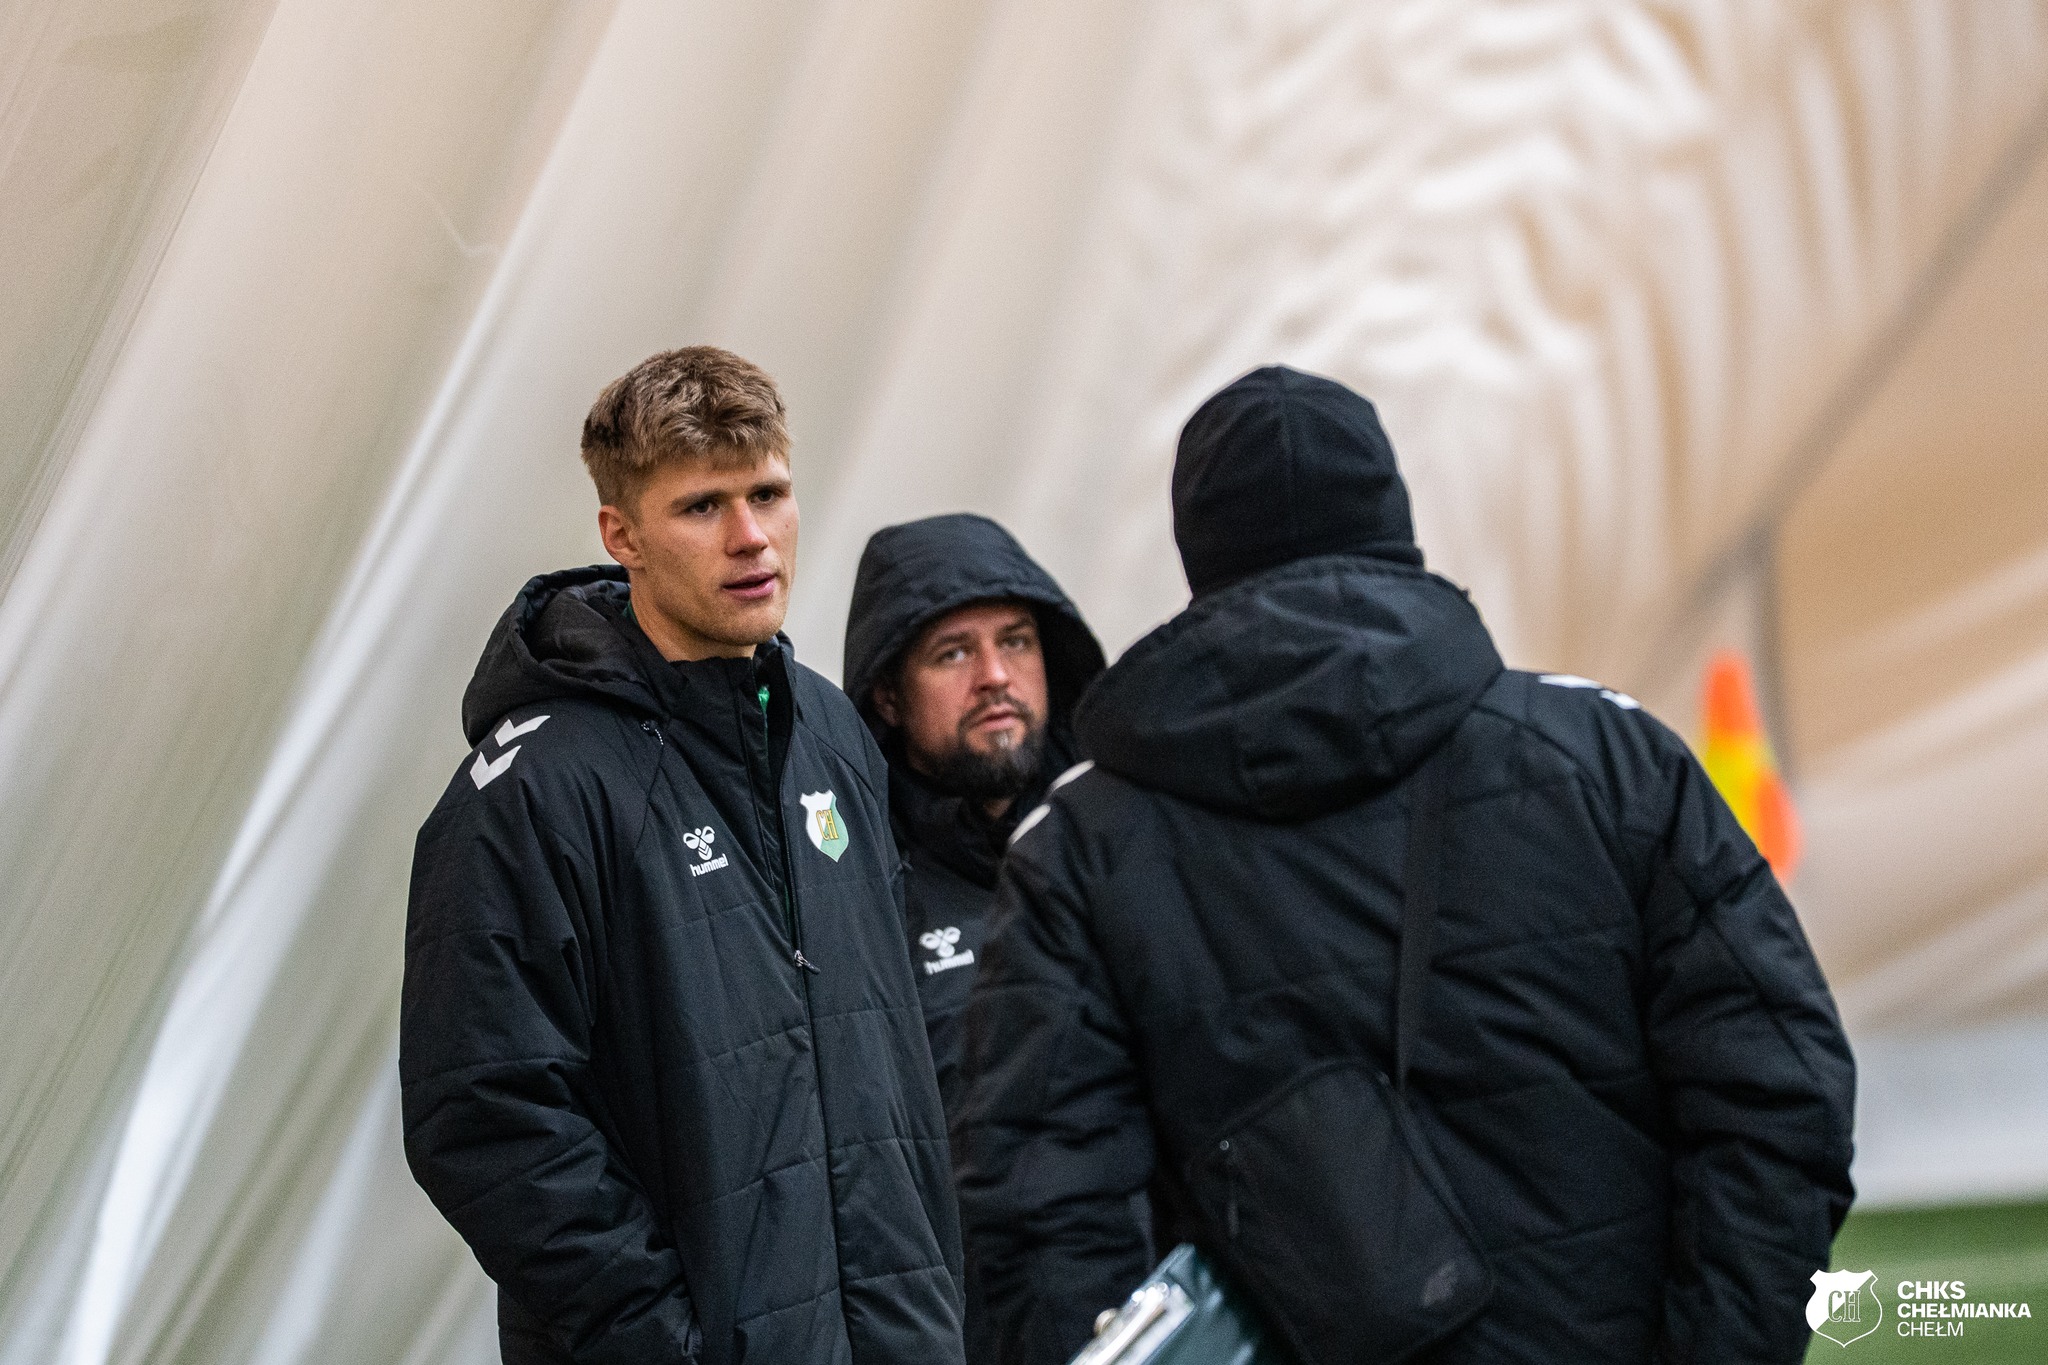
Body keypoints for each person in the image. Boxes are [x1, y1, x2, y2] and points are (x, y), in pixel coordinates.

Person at [954, 365, 1857, 1365]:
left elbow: (1039, 1214)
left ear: (1198, 553)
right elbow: (1781, 1093)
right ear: (1391, 517)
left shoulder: (1078, 844)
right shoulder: (1605, 759)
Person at [400, 347, 965, 1365]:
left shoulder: (832, 735)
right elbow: (482, 1115)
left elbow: (890, 1058)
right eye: (703, 506)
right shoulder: (533, 791)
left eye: (769, 493)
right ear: (621, 535)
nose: (752, 537)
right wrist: (663, 1340)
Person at [840, 513, 1105, 1119]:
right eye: (954, 652)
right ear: (888, 697)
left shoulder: (1121, 836)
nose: (995, 677)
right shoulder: (854, 895)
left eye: (1015, 641)